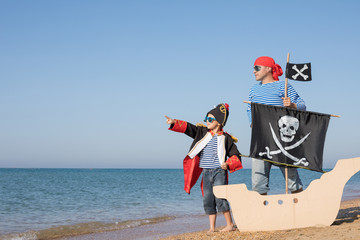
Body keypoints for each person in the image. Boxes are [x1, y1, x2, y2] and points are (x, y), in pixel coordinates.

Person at [165, 103, 243, 232]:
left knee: (220, 197)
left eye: (210, 119)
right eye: (206, 118)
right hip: (206, 172)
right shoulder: (202, 132)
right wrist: (174, 122)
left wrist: (228, 163)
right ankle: (212, 227)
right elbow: (189, 128)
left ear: (219, 123)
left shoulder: (226, 138)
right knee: (207, 199)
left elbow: (236, 155)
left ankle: (230, 224)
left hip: (219, 172)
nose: (207, 121)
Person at [247, 56, 306, 195]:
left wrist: (292, 105)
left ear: (268, 68)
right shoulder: (253, 90)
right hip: (260, 138)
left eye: (257, 68)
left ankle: (299, 205)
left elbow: (303, 104)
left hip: (282, 138)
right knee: (258, 180)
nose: (254, 71)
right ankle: (262, 212)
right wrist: (252, 123)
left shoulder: (283, 86)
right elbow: (249, 109)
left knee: (291, 178)